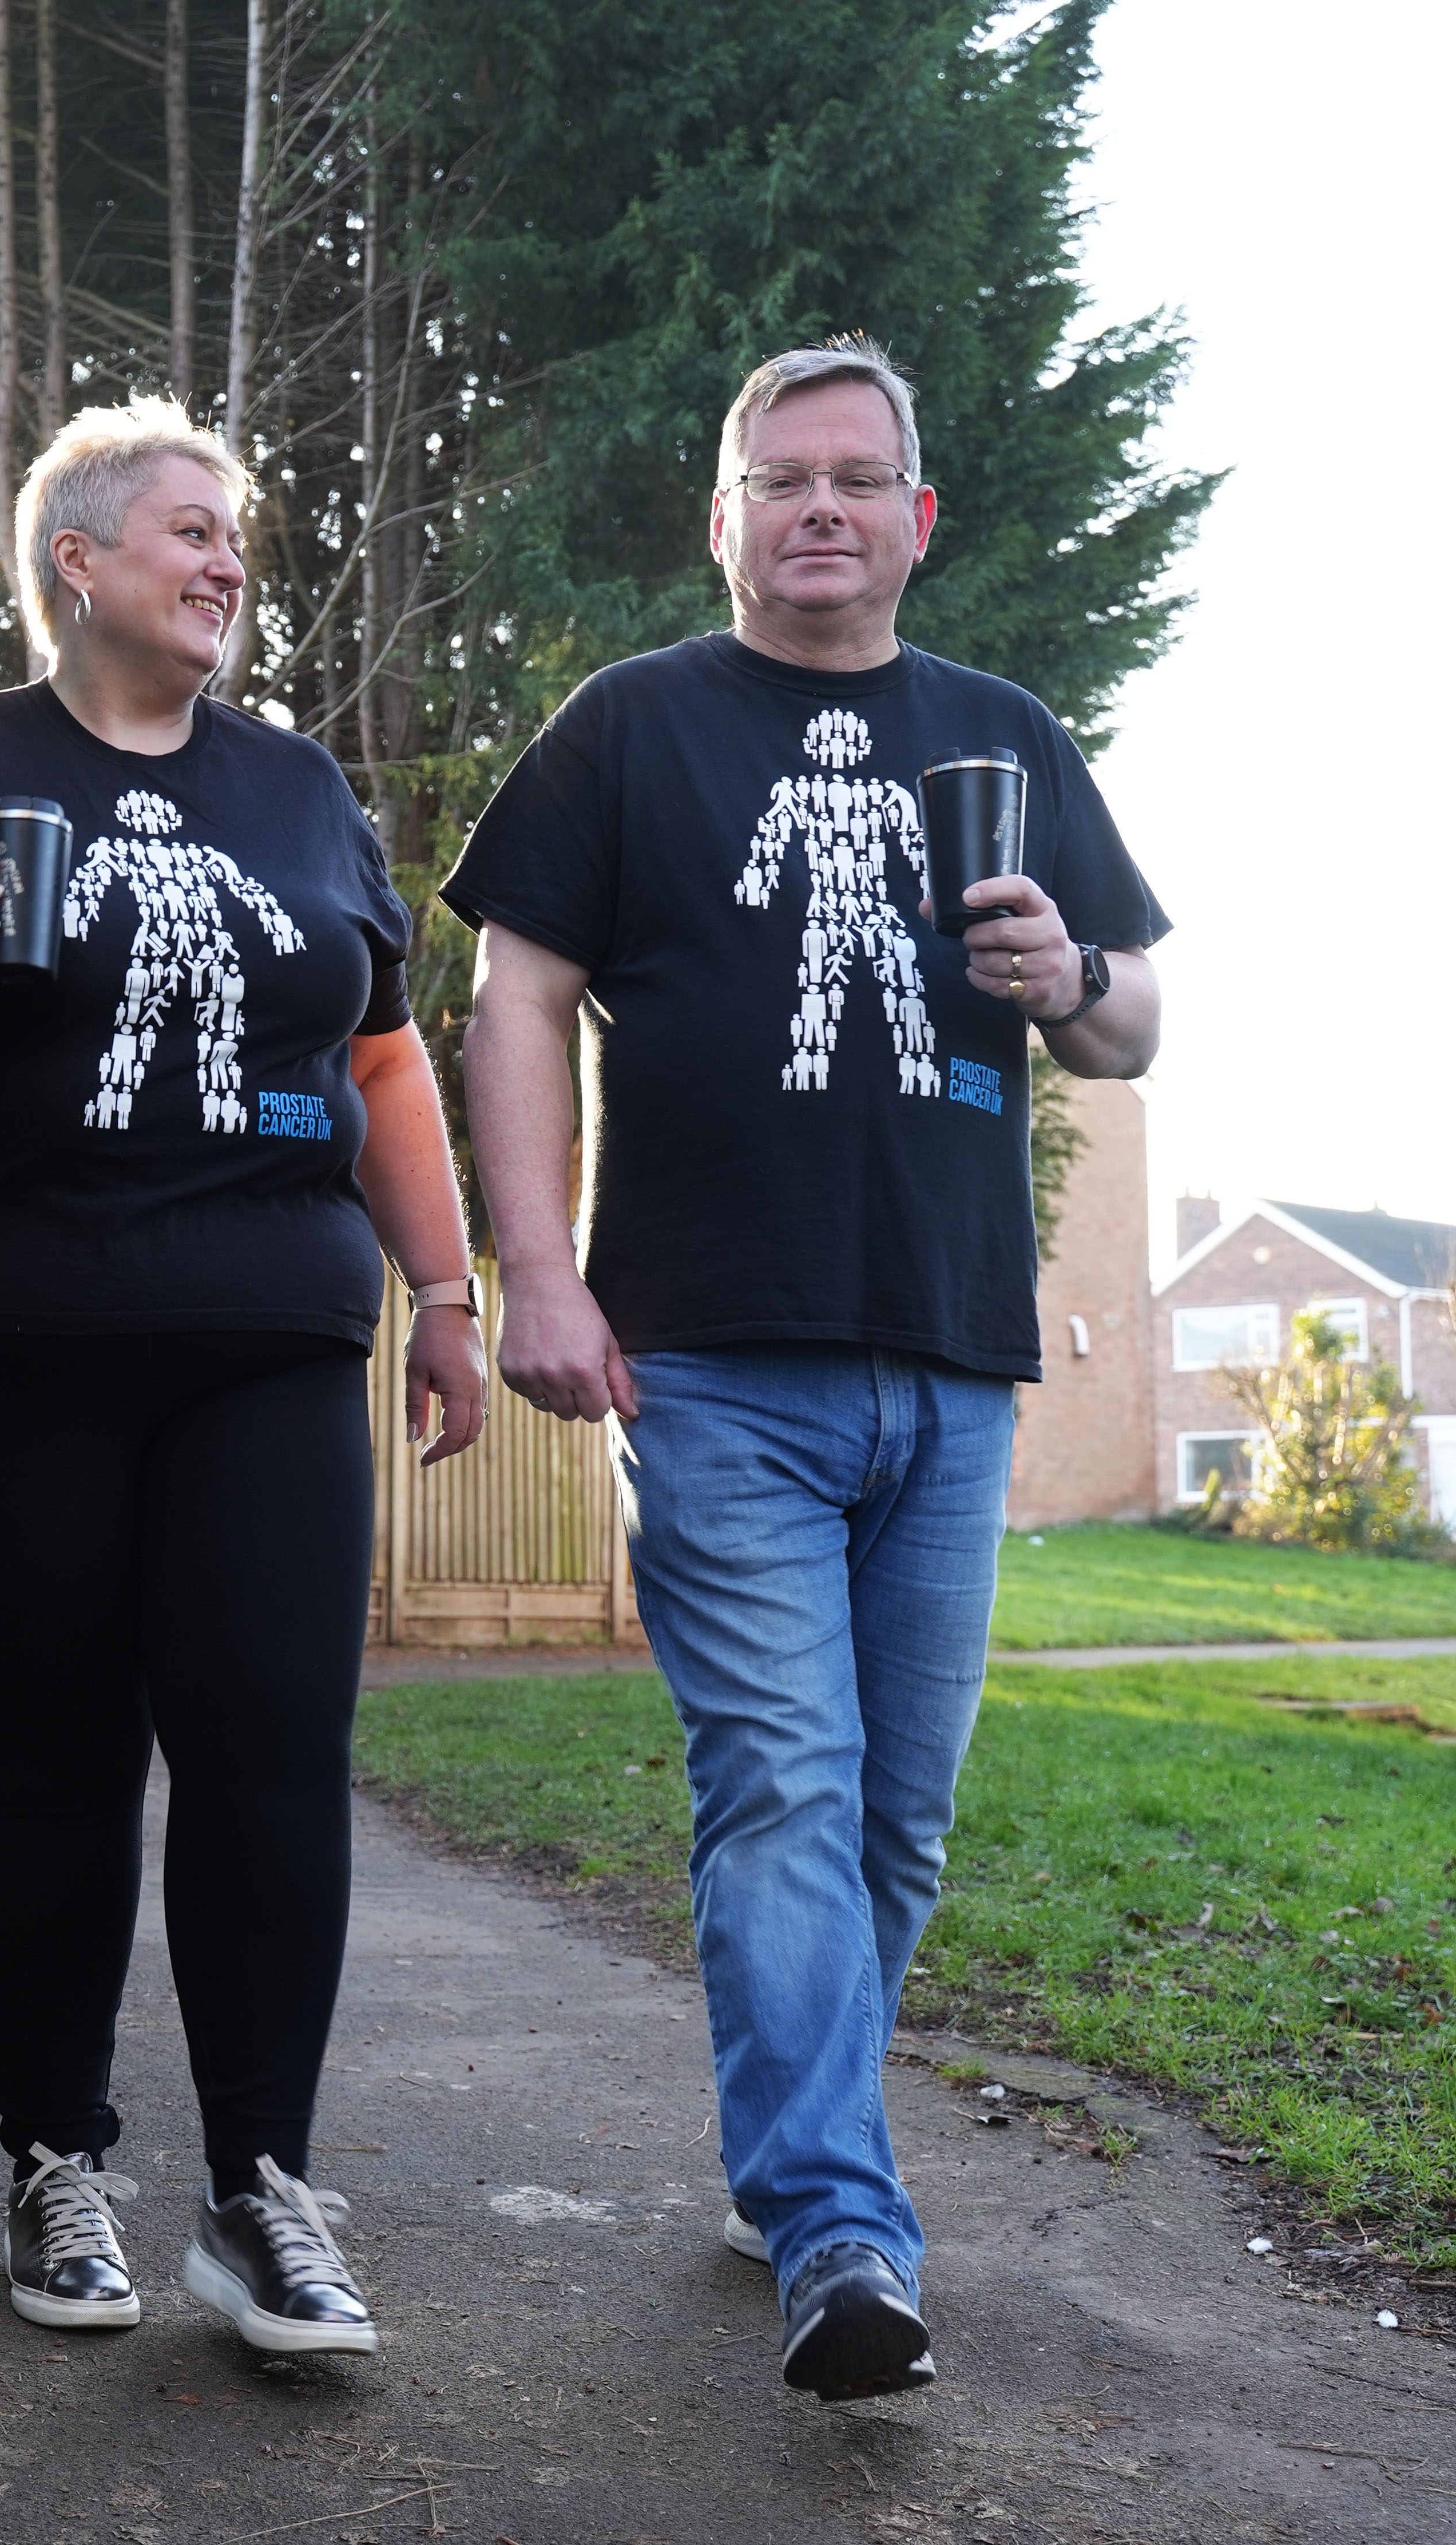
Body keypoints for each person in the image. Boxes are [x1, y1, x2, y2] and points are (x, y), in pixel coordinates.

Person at [439, 337, 1167, 2403]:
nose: (822, 507)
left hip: (948, 1365)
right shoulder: (630, 731)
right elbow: (517, 998)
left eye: (860, 477)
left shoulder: (1003, 735)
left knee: (897, 1825)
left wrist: (1071, 975)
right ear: (730, 516)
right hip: (714, 1366)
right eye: (785, 478)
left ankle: (787, 2150)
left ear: (918, 517)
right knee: (783, 1779)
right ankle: (847, 2232)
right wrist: (537, 1273)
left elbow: (1134, 1030)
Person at [0, 397, 487, 2358]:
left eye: (236, 539)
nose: (226, 562)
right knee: (62, 1758)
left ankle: (265, 2193)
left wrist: (451, 1290)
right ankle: (57, 2161)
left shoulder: (305, 790)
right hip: (4, 1335)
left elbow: (383, 1055)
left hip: (267, 1335)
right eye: (186, 530)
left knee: (269, 1748)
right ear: (78, 558)